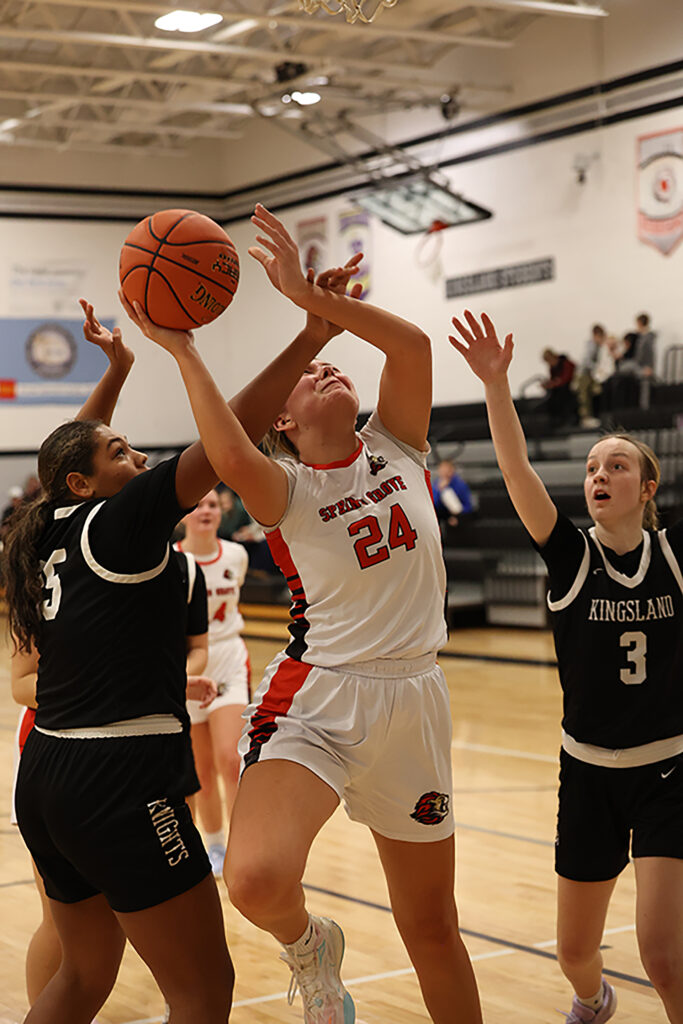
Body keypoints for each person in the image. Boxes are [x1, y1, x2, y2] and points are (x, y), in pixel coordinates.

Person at [120, 203, 483, 1024]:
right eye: (313, 376)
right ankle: (310, 945)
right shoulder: (285, 490)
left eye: (330, 368)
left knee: (432, 924)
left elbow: (412, 347)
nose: (329, 373)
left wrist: (311, 303)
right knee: (253, 880)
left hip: (417, 699)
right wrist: (181, 349)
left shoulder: (399, 445)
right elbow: (225, 451)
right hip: (318, 699)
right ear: (284, 420)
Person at [4, 284, 344, 1024]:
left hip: (47, 776)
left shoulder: (50, 525)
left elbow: (76, 441)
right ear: (86, 484)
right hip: (119, 781)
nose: (141, 456)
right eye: (123, 453)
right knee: (203, 990)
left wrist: (119, 368)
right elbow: (232, 437)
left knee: (82, 977)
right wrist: (307, 340)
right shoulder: (121, 522)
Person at [449, 309, 683, 1024]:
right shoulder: (569, 556)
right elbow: (516, 469)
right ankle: (593, 999)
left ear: (645, 489)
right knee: (573, 952)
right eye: (590, 467)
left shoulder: (672, 556)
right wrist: (494, 385)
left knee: (663, 954)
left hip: (669, 770)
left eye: (616, 465)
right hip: (585, 773)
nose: (597, 474)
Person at [10, 553, 215, 1014]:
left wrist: (169, 680)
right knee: (64, 929)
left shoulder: (181, 571)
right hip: (59, 753)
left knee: (154, 938)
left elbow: (195, 645)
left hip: (144, 755)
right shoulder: (52, 567)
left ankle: (181, 1001)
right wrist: (102, 694)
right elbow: (20, 682)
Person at [175, 489, 251, 877]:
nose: (205, 510)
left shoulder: (236, 555)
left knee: (231, 756)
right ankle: (216, 845)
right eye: (197, 504)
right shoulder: (172, 560)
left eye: (211, 504)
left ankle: (242, 844)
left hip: (228, 659)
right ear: (184, 514)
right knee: (201, 768)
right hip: (188, 664)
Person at [575, 324, 617, 427]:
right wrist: (597, 368)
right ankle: (586, 418)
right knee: (584, 396)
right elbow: (587, 362)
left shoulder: (599, 347)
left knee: (593, 392)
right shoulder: (592, 346)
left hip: (590, 374)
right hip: (584, 374)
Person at [537, 347, 577, 426]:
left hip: (569, 387)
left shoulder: (566, 363)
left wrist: (554, 383)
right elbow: (554, 379)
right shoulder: (552, 367)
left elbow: (566, 378)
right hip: (559, 388)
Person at [431, 458, 473, 529]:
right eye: (442, 470)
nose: (444, 472)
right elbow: (434, 504)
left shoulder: (460, 485)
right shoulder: (436, 485)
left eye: (446, 470)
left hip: (459, 516)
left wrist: (457, 516)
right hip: (441, 515)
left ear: (452, 470)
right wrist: (439, 490)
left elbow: (468, 506)